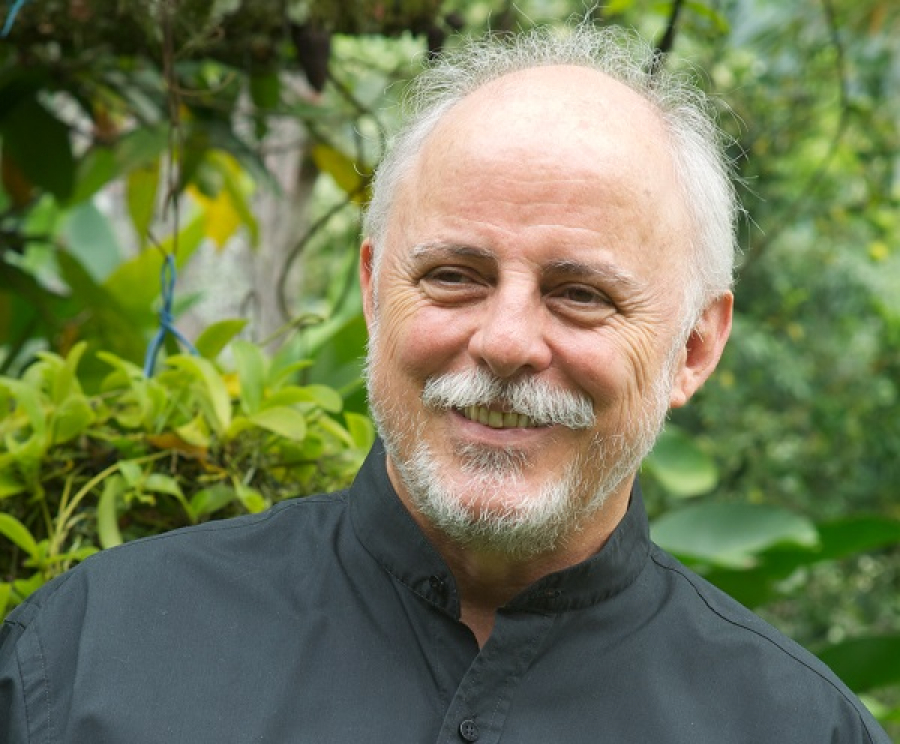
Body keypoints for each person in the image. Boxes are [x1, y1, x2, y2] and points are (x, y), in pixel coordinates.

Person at [0, 24, 891, 744]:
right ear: (372, 292)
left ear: (693, 348)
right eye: (454, 276)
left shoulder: (793, 727)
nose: (504, 341)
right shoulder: (91, 658)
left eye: (580, 294)